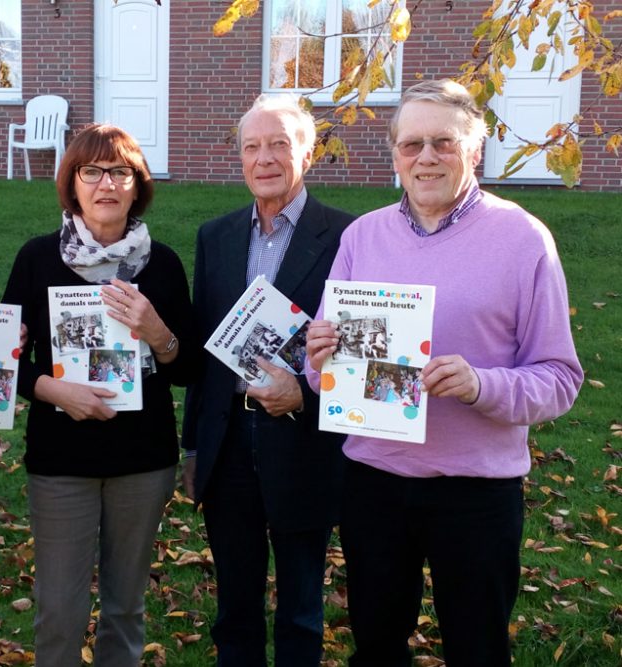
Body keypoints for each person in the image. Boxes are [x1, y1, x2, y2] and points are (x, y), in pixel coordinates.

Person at [305, 79, 584, 666]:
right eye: (411, 145)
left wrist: (483, 385)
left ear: (474, 150)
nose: (425, 157)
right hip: (374, 481)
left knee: (477, 649)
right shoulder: (363, 236)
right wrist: (320, 357)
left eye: (443, 143)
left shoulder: (523, 239)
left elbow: (560, 377)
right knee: (376, 646)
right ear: (395, 154)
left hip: (476, 492)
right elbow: (323, 377)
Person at [2, 124, 196, 667]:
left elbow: (186, 370)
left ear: (137, 185)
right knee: (59, 610)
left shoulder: (164, 265)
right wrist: (50, 387)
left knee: (125, 608)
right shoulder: (38, 259)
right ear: (72, 183)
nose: (106, 184)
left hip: (142, 459)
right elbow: (3, 364)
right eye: (91, 172)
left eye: (120, 172)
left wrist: (158, 332)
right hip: (61, 459)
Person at [181, 94, 354, 666]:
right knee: (234, 607)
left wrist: (302, 395)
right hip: (228, 442)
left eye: (280, 143)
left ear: (307, 150)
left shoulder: (349, 238)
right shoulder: (216, 236)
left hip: (304, 442)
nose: (265, 158)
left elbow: (357, 360)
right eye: (252, 146)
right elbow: (207, 348)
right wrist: (193, 446)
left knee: (302, 610)